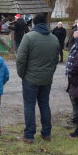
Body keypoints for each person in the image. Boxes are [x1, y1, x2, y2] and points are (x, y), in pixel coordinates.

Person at [16, 14, 60, 143]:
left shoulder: (28, 37)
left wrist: (22, 74)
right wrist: (50, 73)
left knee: (29, 106)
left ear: (33, 24)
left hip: (31, 78)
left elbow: (20, 59)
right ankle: (46, 133)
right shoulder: (54, 39)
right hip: (46, 78)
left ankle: (29, 135)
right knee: (44, 104)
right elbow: (55, 60)